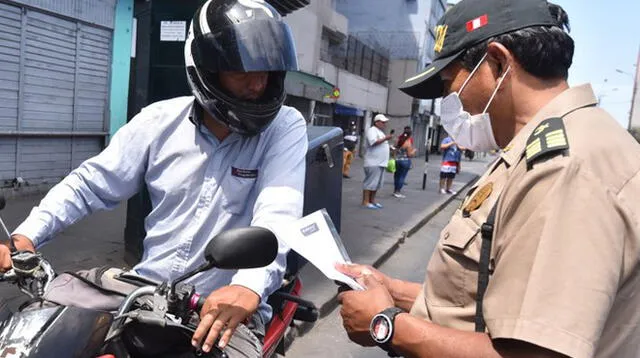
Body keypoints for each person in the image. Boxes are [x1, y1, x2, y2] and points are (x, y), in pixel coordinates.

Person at [0, 1, 306, 357]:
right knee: (38, 329)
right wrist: (25, 237)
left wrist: (249, 288)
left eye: (268, 70)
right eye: (242, 71)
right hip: (142, 293)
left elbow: (278, 214)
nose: (258, 83)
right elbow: (88, 185)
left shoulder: (285, 127)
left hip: (225, 311)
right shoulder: (158, 121)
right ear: (206, 69)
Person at [336, 1, 640, 357]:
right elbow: (487, 306)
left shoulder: (564, 169)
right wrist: (393, 289)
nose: (452, 101)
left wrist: (385, 324)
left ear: (497, 63)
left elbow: (532, 352)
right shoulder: (538, 151)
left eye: (451, 84)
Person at [362, 114, 392, 209]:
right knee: (370, 183)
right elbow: (373, 142)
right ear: (377, 122)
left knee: (377, 184)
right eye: (382, 122)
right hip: (373, 162)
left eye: (385, 122)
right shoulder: (372, 130)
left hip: (381, 162)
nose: (384, 124)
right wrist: (386, 138)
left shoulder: (380, 132)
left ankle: (372, 201)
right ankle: (366, 201)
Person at [392, 129, 416, 198]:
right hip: (405, 161)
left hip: (397, 160)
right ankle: (398, 191)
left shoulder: (398, 140)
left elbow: (394, 149)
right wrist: (414, 151)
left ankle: (395, 190)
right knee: (402, 176)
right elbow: (409, 154)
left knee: (396, 176)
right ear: (410, 135)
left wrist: (394, 157)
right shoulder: (408, 143)